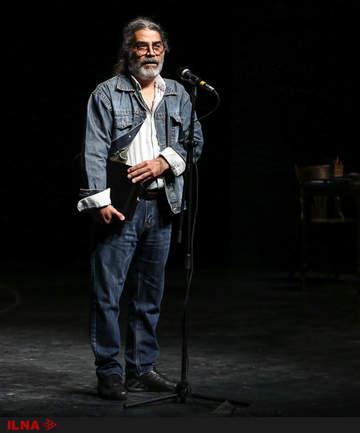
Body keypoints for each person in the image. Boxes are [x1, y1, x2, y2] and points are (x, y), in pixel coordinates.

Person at [77, 17, 204, 400]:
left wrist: (164, 161)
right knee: (108, 295)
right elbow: (94, 149)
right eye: (141, 46)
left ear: (164, 51)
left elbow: (194, 140)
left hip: (161, 205)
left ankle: (141, 370)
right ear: (128, 50)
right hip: (121, 207)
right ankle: (109, 372)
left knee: (149, 297)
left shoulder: (178, 92)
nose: (150, 53)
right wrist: (99, 199)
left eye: (156, 46)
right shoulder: (107, 93)